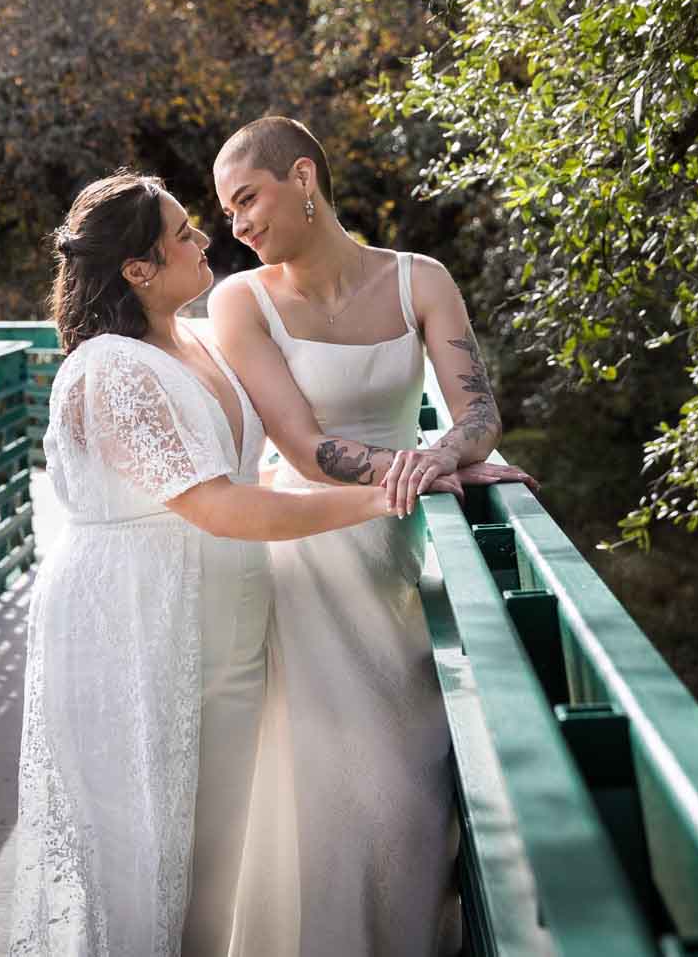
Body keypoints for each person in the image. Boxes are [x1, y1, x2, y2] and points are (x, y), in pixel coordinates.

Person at [8, 171, 456, 957]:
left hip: (229, 633)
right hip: (139, 634)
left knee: (213, 872)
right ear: (138, 268)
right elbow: (220, 506)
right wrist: (392, 491)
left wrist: (431, 454)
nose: (203, 237)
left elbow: (285, 452)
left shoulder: (200, 339)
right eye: (182, 232)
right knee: (149, 871)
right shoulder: (107, 367)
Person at [209, 118, 531, 957]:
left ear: (304, 176)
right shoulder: (239, 301)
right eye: (226, 211)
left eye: (248, 198)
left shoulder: (418, 280)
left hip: (400, 558)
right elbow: (307, 450)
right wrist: (427, 469)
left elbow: (480, 415)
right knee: (330, 796)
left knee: (410, 790)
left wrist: (447, 458)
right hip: (307, 557)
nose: (237, 226)